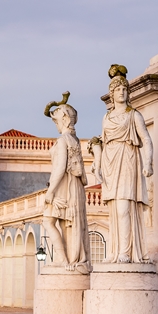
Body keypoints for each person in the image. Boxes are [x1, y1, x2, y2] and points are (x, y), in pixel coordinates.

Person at [90, 65, 153, 264]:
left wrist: (148, 163)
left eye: (124, 90)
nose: (122, 92)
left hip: (127, 158)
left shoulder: (133, 115)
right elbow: (103, 141)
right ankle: (114, 253)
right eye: (118, 90)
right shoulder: (106, 117)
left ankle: (126, 251)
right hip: (110, 161)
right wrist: (97, 162)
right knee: (114, 209)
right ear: (112, 93)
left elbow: (146, 140)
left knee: (124, 207)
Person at [41, 92, 89, 271]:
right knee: (64, 224)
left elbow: (60, 167)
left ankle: (63, 259)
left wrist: (50, 192)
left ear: (64, 119)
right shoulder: (74, 140)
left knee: (48, 222)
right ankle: (68, 258)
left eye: (56, 121)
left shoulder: (62, 140)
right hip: (72, 187)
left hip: (62, 187)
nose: (56, 125)